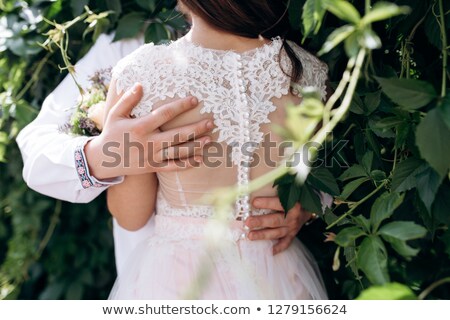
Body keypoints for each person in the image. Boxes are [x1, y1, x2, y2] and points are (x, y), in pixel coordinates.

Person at [16, 13, 315, 276]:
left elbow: (322, 161)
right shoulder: (123, 45)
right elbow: (36, 144)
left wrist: (309, 205)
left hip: (238, 257)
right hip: (159, 261)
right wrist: (103, 155)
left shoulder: (292, 62)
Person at [106, 0, 329, 299]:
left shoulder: (141, 75)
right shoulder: (307, 72)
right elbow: (319, 184)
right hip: (277, 271)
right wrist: (309, 213)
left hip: (180, 278)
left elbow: (130, 216)